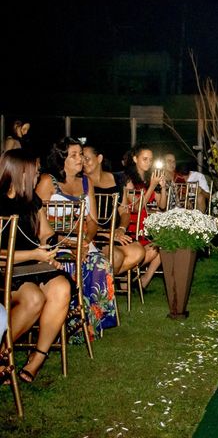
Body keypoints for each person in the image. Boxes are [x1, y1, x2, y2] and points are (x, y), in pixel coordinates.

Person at [0, 149, 71, 382]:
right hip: (6, 270)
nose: (38, 175)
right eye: (35, 170)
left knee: (62, 287)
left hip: (32, 266)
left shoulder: (32, 200)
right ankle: (3, 355)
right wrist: (34, 254)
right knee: (34, 298)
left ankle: (38, 357)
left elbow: (45, 233)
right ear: (21, 172)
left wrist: (48, 251)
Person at [36, 137, 118, 339]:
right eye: (74, 155)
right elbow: (36, 220)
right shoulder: (48, 181)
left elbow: (93, 221)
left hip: (82, 242)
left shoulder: (85, 182)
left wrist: (85, 242)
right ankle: (68, 325)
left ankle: (92, 322)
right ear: (61, 159)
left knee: (100, 264)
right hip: (55, 244)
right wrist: (70, 244)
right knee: (75, 265)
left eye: (80, 154)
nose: (80, 158)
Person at [82, 143, 146, 275]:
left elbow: (124, 211)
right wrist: (107, 233)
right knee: (116, 257)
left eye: (87, 158)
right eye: (81, 159)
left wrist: (121, 229)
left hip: (116, 233)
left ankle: (101, 280)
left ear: (99, 158)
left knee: (139, 251)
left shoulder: (116, 179)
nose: (84, 162)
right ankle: (103, 285)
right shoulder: (81, 182)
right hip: (95, 234)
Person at [123, 144, 167, 289]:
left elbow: (162, 205)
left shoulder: (150, 179)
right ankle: (125, 276)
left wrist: (163, 187)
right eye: (145, 159)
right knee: (154, 249)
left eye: (150, 159)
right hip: (132, 227)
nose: (148, 162)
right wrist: (152, 187)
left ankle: (144, 280)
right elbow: (135, 207)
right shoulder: (128, 180)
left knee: (163, 247)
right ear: (135, 159)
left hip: (145, 226)